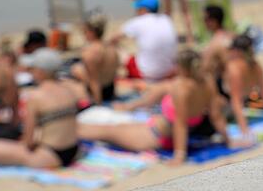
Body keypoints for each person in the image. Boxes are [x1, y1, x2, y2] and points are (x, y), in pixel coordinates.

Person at [78, 50, 234, 165]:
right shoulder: (207, 82)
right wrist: (229, 141)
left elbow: (180, 124)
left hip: (156, 137)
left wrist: (179, 155)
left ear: (183, 68)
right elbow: (216, 116)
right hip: (158, 129)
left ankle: (67, 131)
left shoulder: (181, 88)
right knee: (116, 127)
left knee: (105, 132)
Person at [0, 48, 81, 168]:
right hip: (73, 150)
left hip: (51, 156)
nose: (30, 72)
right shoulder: (69, 91)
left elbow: (28, 142)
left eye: (33, 69)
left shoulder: (35, 96)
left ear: (41, 72)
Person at [221, 35, 263, 138]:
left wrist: (244, 129)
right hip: (239, 103)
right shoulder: (257, 66)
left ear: (236, 51)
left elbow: (235, 101)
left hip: (223, 108)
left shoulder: (233, 68)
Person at [114, 0, 178, 81]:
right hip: (169, 71)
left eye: (138, 8)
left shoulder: (138, 21)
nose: (136, 11)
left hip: (147, 74)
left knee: (117, 50)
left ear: (144, 9)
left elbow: (114, 38)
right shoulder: (166, 19)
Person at [71, 13, 119, 104]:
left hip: (99, 93)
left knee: (75, 72)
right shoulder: (112, 48)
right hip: (110, 90)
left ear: (91, 32)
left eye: (84, 31)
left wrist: (98, 104)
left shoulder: (90, 52)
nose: (83, 34)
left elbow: (94, 81)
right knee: (78, 68)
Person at [200, 5, 234, 81]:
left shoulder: (214, 42)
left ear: (214, 21)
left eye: (205, 19)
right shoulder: (233, 35)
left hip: (225, 82)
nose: (203, 22)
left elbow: (206, 67)